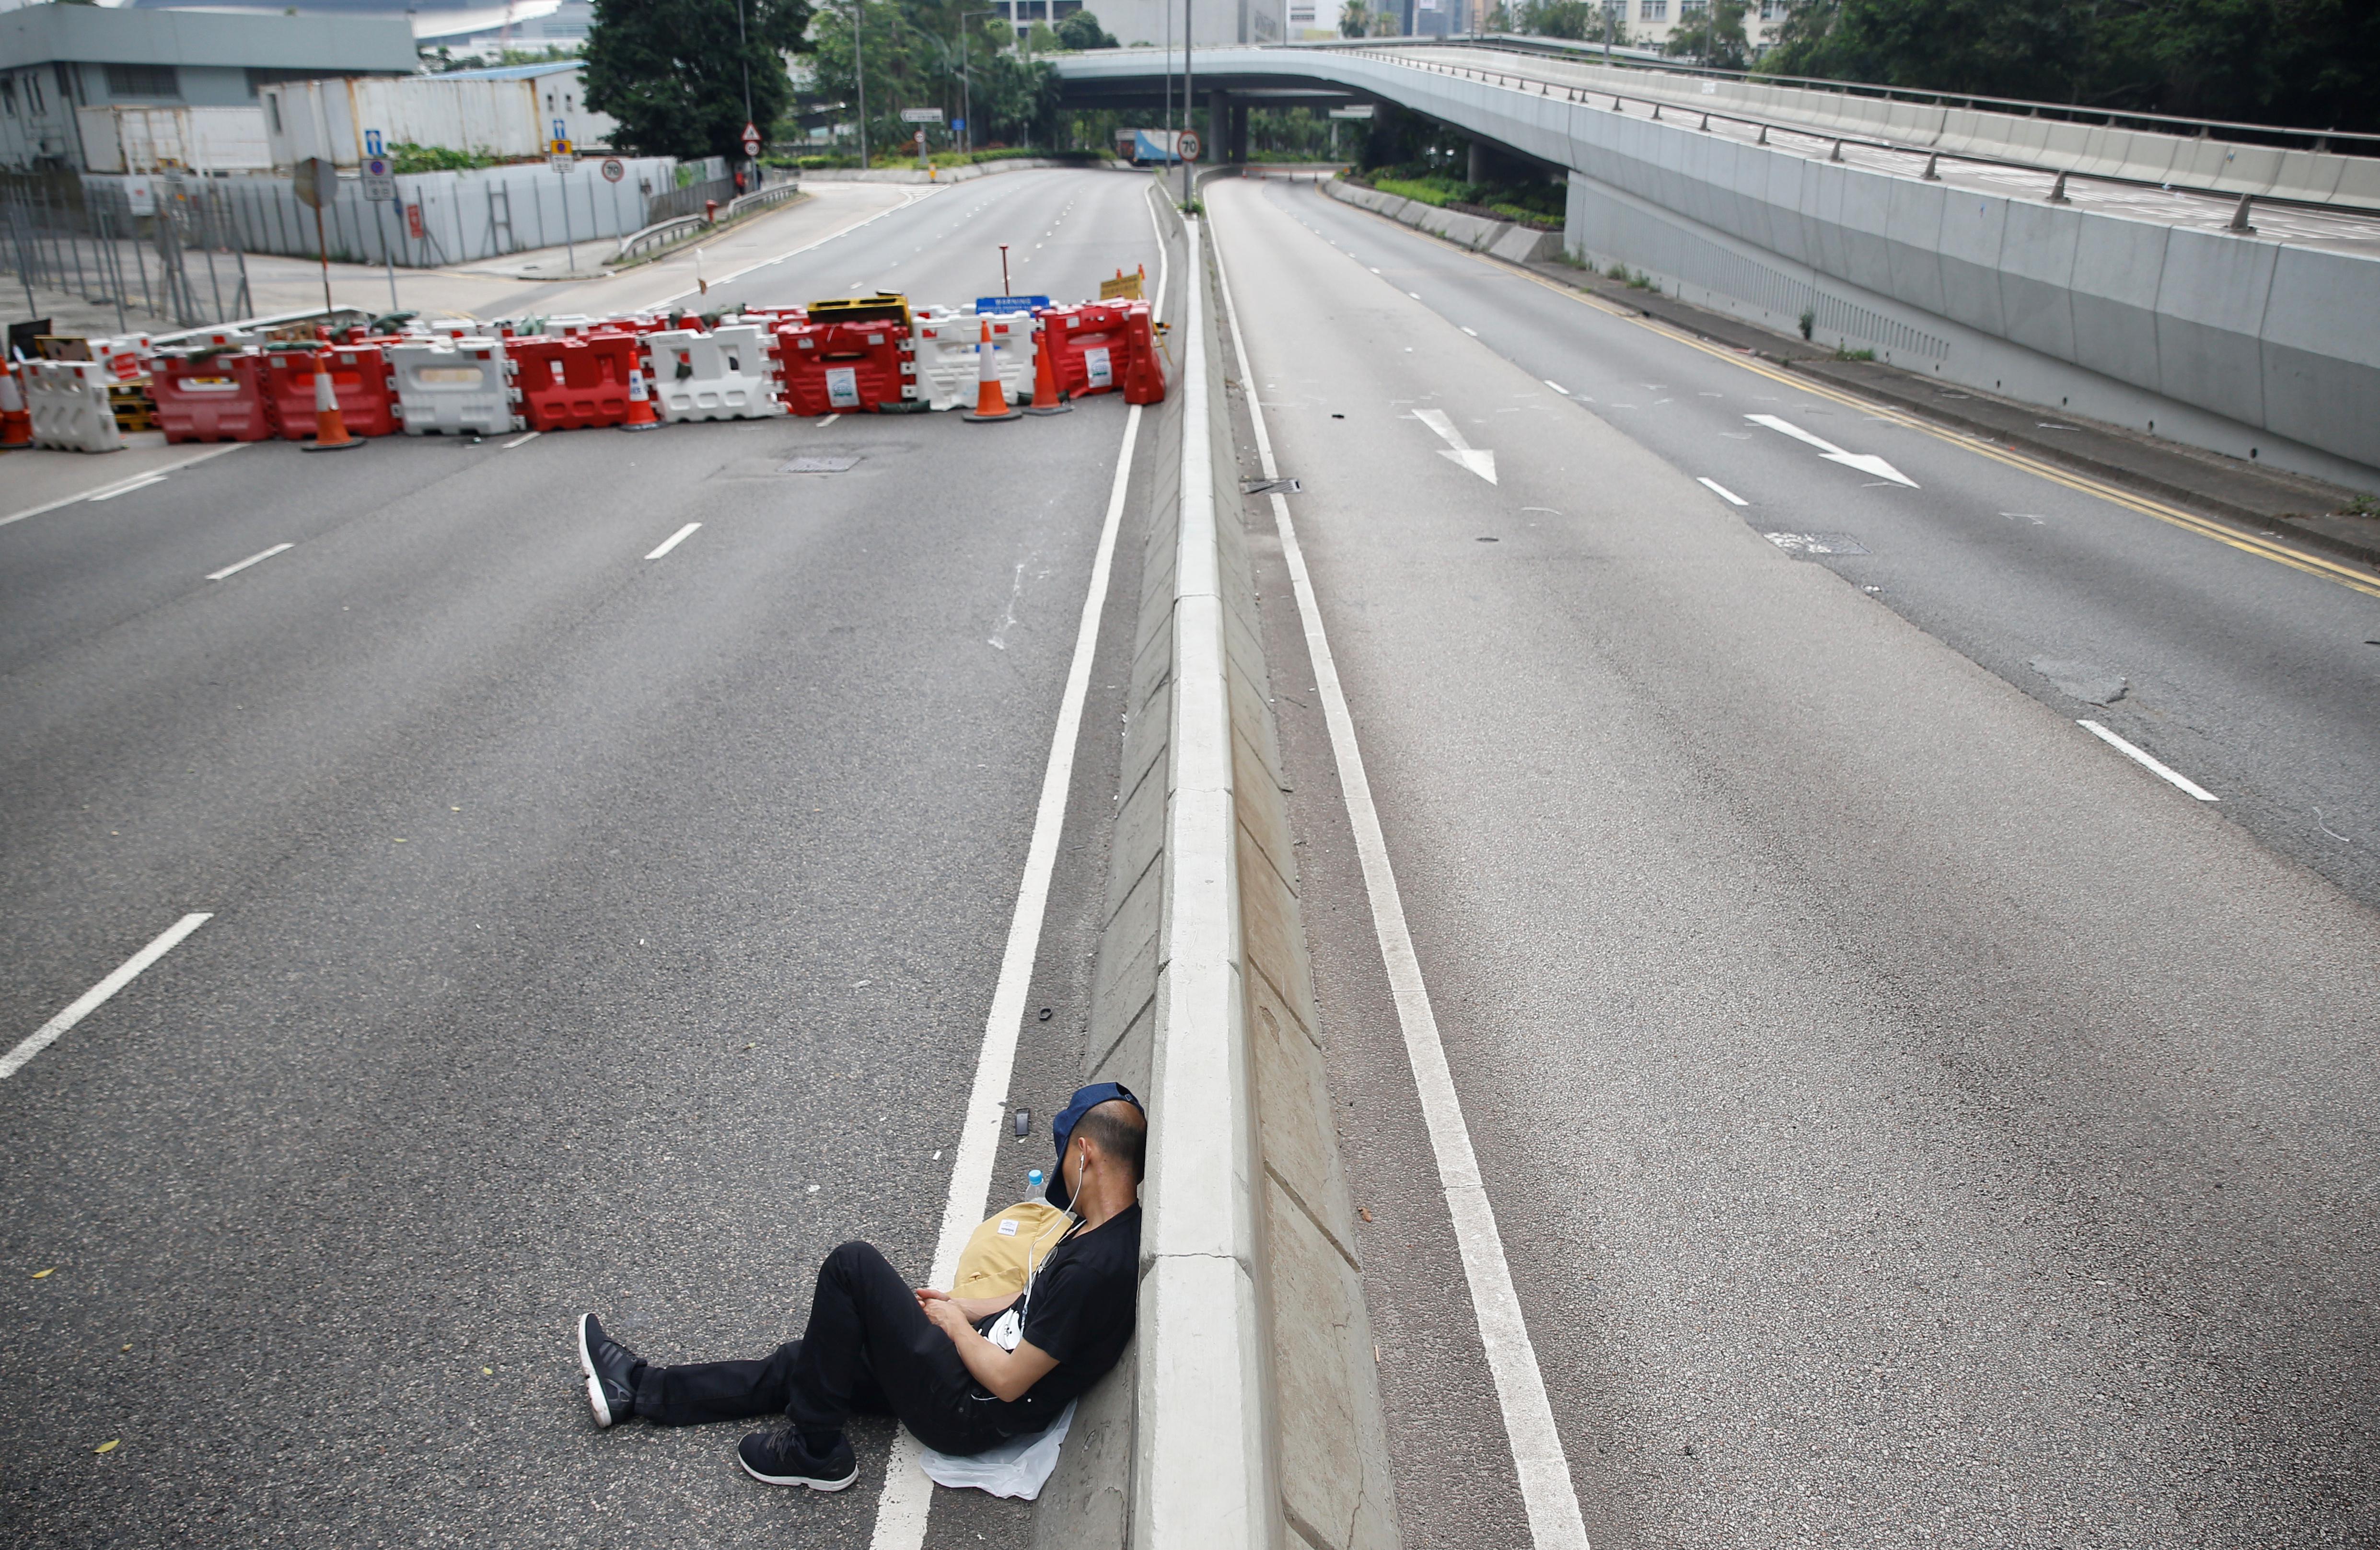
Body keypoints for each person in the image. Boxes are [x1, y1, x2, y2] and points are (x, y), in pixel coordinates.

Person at [575, 1085, 1146, 1492]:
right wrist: (963, 1307)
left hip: (967, 1406)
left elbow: (1008, 1377)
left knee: (853, 1267)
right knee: (816, 1362)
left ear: (1085, 1153)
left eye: (1063, 1163)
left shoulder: (1097, 1267)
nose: (1061, 1179)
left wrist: (950, 1327)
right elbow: (1035, 1307)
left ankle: (815, 1451)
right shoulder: (1102, 1229)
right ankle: (641, 1390)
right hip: (970, 1361)